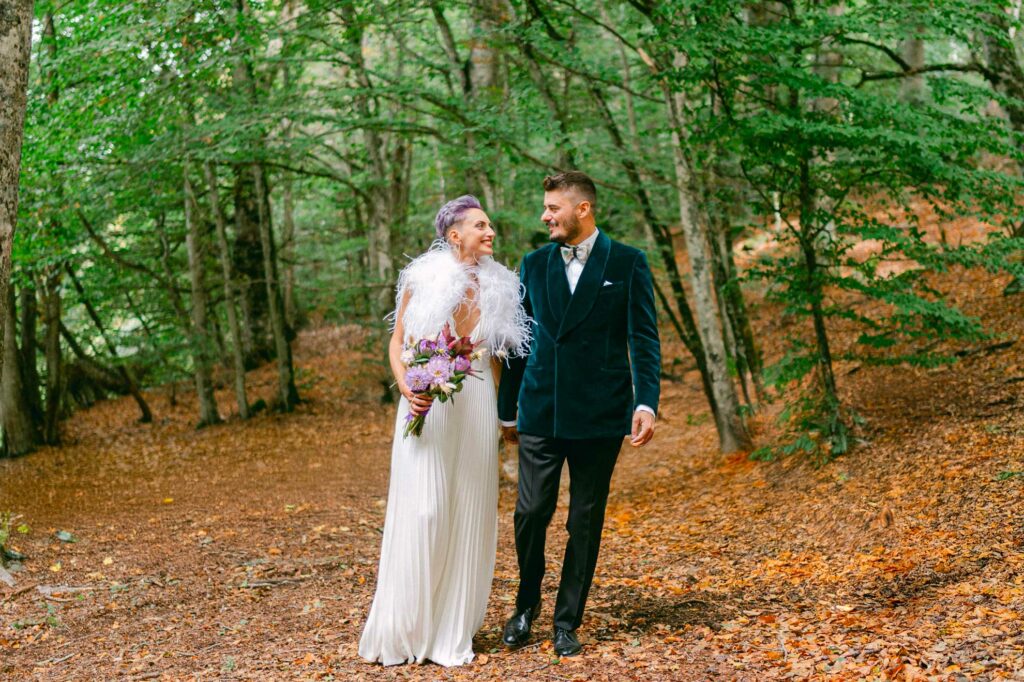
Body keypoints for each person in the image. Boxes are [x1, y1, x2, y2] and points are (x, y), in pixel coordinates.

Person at [359, 195, 530, 667]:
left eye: (490, 224)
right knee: (427, 509)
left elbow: (496, 358)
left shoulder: (501, 287)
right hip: (426, 398)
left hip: (475, 399)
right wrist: (406, 388)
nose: (490, 231)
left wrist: (504, 416)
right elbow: (397, 344)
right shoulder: (420, 279)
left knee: (470, 509)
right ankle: (407, 627)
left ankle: (452, 631)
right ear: (455, 235)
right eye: (480, 225)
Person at [497, 171, 661, 657]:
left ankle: (567, 620)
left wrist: (646, 402)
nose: (545, 216)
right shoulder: (532, 264)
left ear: (582, 209)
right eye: (545, 207)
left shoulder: (628, 262)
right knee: (531, 512)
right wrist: (508, 412)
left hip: (600, 414)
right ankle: (525, 605)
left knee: (584, 521)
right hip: (541, 409)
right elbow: (518, 343)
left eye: (553, 207)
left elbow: (643, 339)